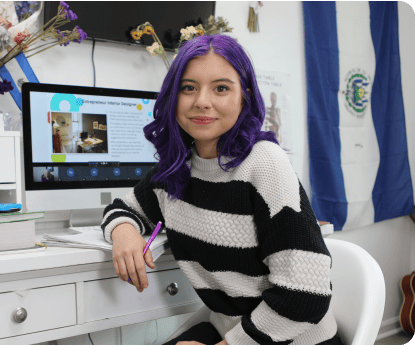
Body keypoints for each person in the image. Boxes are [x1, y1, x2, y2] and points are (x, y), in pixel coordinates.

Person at [100, 34, 341, 345]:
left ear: (244, 97)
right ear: (173, 96)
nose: (202, 101)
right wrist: (124, 232)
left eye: (221, 88)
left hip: (291, 337)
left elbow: (305, 296)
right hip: (229, 330)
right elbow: (123, 207)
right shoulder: (177, 167)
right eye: (188, 88)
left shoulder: (264, 163)